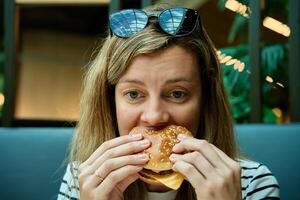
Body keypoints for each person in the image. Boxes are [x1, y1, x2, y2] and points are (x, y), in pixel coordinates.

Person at [58, 4, 280, 200]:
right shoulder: (82, 181)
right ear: (109, 101)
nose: (154, 116)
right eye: (134, 94)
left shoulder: (252, 184)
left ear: (205, 101)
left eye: (177, 94)